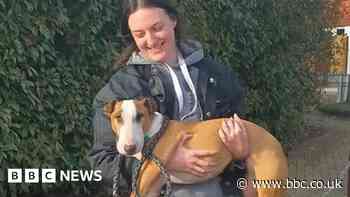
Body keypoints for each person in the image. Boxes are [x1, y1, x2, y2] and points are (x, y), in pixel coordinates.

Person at [88, 0, 256, 196]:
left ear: (173, 20)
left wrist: (240, 154)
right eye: (140, 34)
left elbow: (239, 129)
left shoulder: (215, 73)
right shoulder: (120, 90)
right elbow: (102, 163)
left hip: (221, 183)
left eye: (157, 28)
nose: (150, 40)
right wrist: (164, 161)